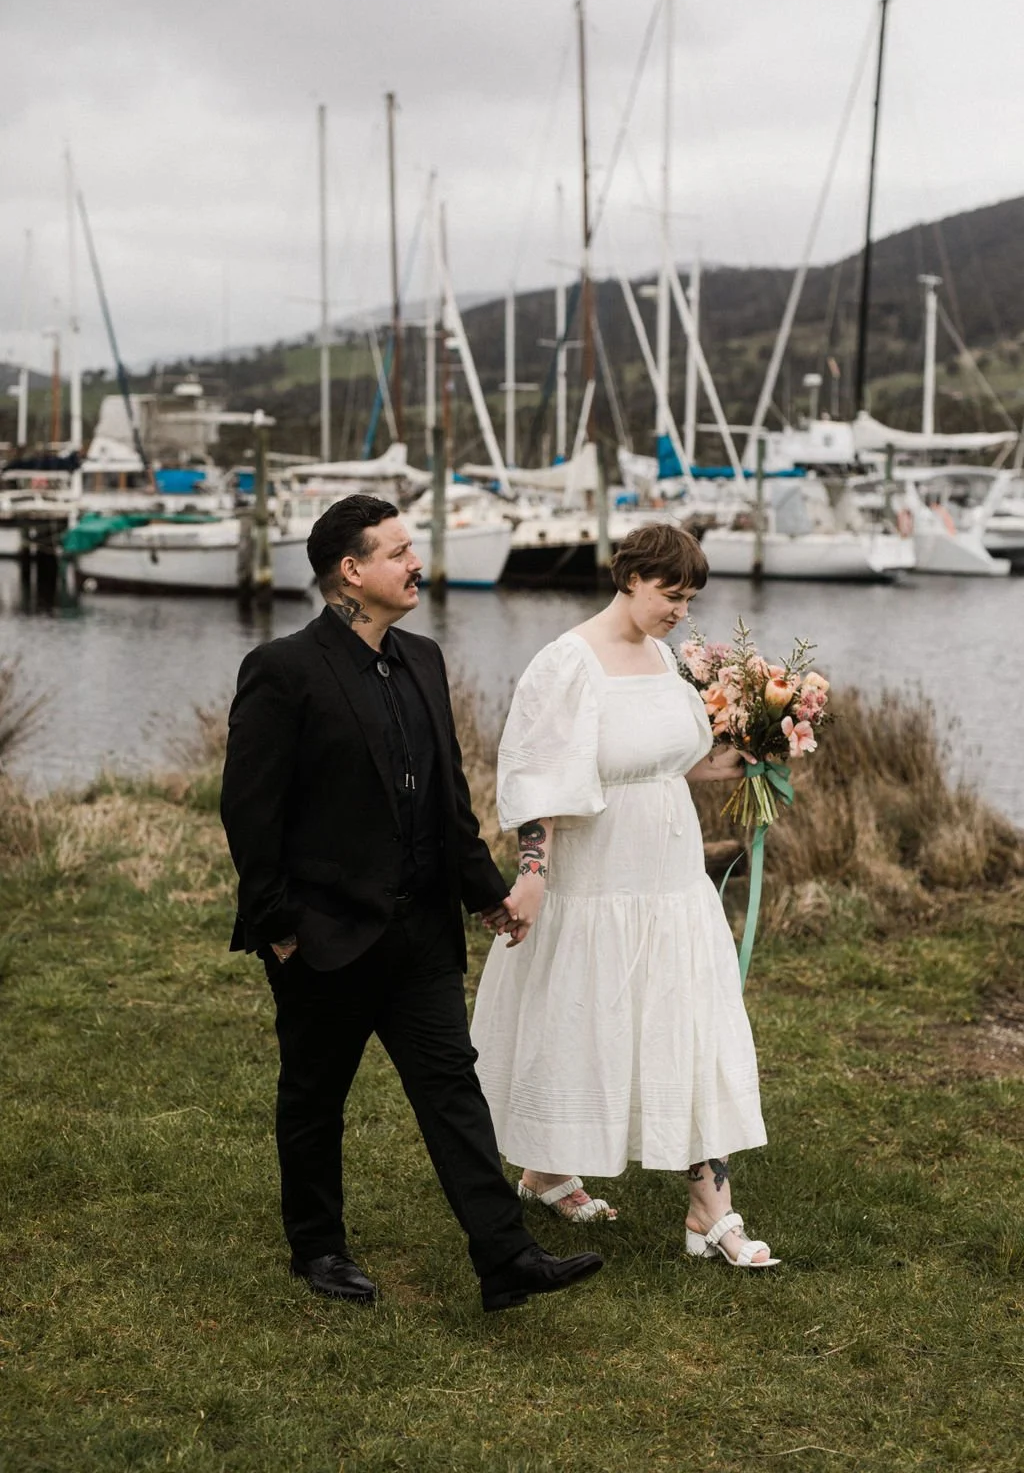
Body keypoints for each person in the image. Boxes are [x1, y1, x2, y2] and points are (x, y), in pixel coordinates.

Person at [220, 493, 602, 1311]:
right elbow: (250, 813)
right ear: (351, 573)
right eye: (397, 552)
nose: (415, 562)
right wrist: (279, 928)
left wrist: (488, 897)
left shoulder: (424, 658)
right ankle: (318, 1250)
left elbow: (447, 807)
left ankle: (506, 1259)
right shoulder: (283, 670)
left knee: (453, 1091)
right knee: (315, 1097)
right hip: (323, 936)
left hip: (421, 933)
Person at [470, 522, 779, 1267]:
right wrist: (534, 876)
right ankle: (550, 1168)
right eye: (671, 594)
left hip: (669, 877)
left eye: (691, 599)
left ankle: (708, 1209)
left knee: (685, 1019)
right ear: (631, 577)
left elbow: (661, 760)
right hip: (595, 876)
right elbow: (539, 777)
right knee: (579, 1014)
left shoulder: (664, 655)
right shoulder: (567, 663)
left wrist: (737, 763)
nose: (680, 610)